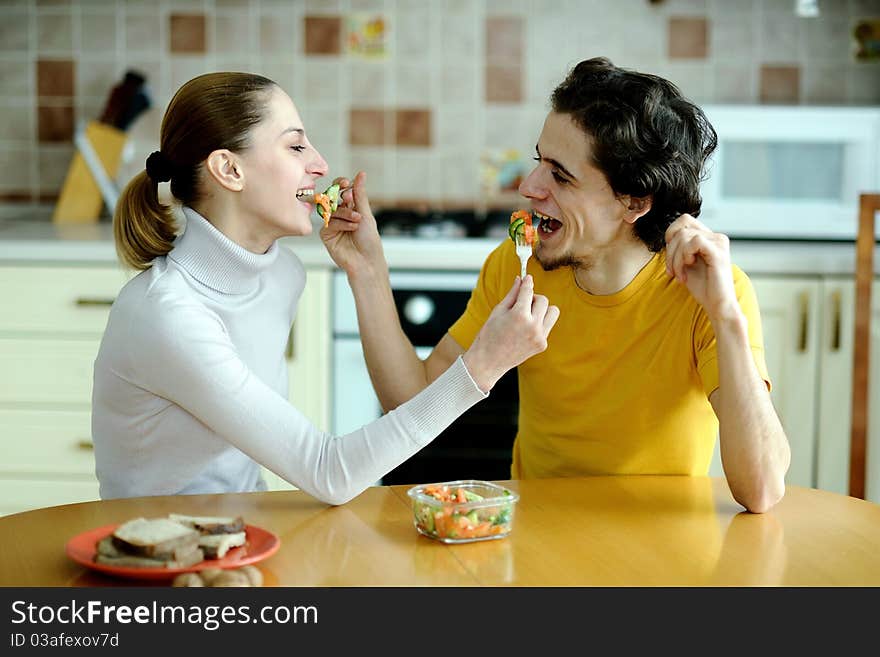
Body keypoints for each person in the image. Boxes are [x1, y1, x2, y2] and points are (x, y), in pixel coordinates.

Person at [321, 57, 790, 514]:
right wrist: (368, 272)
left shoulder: (708, 290)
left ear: (634, 203)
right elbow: (409, 399)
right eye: (539, 162)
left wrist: (726, 315)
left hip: (658, 550)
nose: (529, 186)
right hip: (536, 535)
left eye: (560, 176)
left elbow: (762, 490)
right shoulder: (517, 265)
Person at [91, 72, 559, 505]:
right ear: (229, 170)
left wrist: (368, 267)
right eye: (296, 147)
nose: (320, 164)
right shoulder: (166, 315)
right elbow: (327, 472)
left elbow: (241, 475)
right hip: (151, 555)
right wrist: (483, 365)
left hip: (239, 535)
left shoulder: (282, 275)